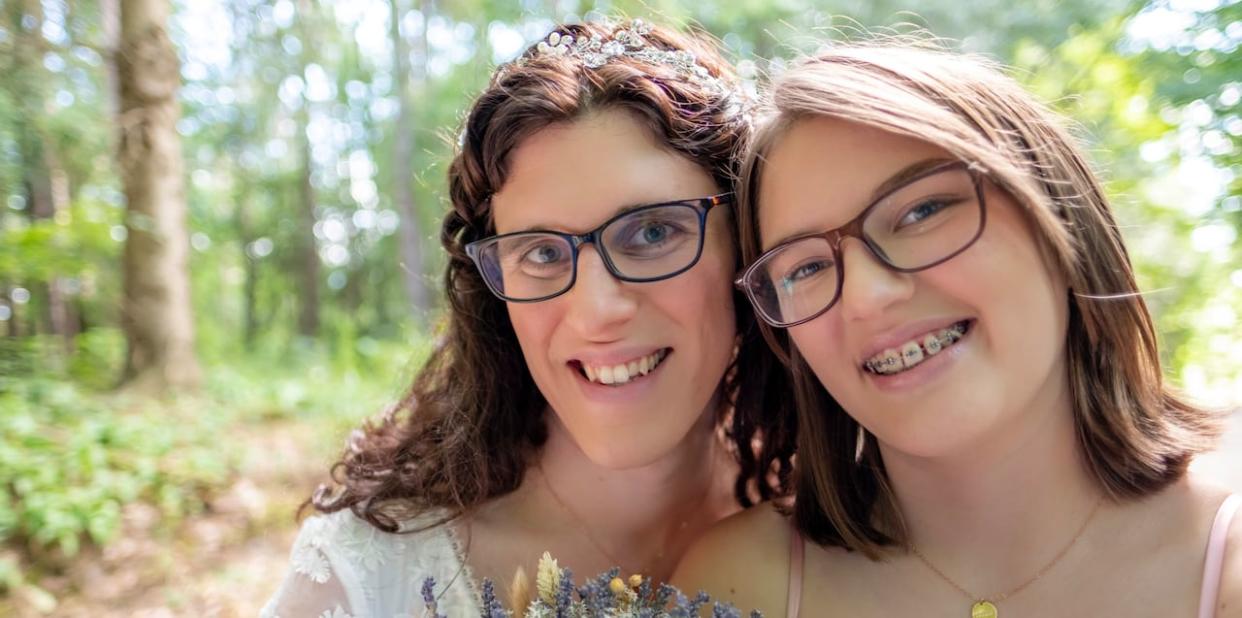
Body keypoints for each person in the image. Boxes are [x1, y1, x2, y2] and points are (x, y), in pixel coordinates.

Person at [673, 40, 1239, 617]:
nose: (866, 297)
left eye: (921, 212)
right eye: (808, 267)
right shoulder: (734, 587)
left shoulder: (1224, 568)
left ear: (1054, 213)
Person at [262, 18, 789, 618]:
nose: (598, 311)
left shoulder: (842, 515)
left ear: (746, 243)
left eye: (651, 231)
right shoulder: (375, 573)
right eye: (541, 252)